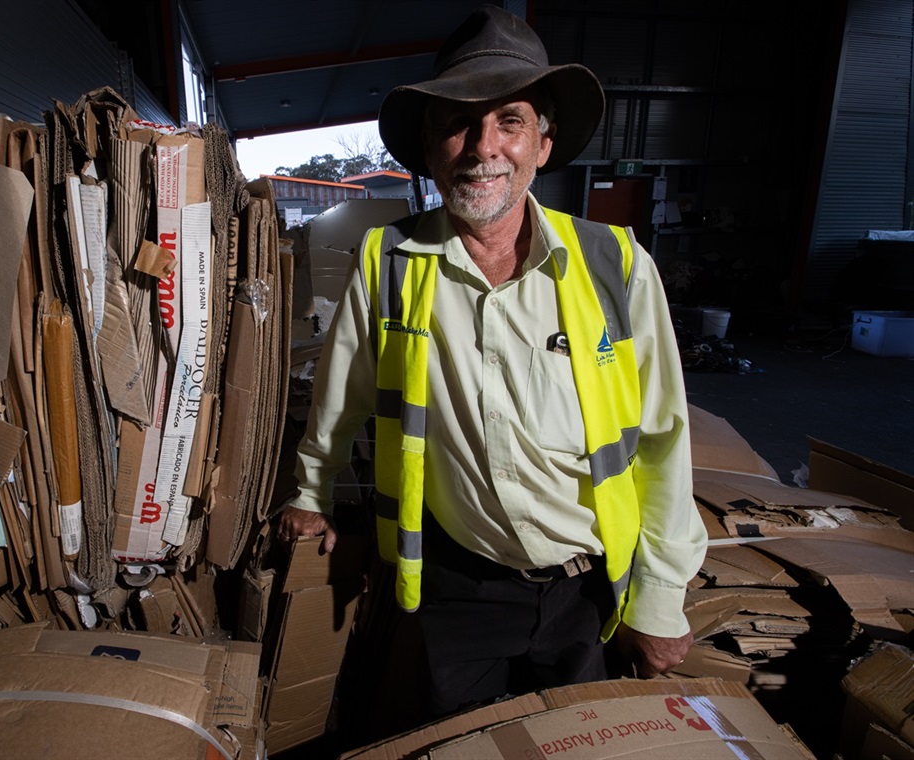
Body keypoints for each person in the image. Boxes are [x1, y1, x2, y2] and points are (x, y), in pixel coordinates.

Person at [277, 5, 707, 717]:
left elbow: (662, 443)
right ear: (430, 144)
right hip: (458, 590)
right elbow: (339, 400)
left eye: (509, 121)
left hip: (590, 591)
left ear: (543, 141)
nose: (482, 147)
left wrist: (660, 599)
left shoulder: (617, 266)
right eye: (456, 122)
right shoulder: (388, 264)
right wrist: (310, 495)